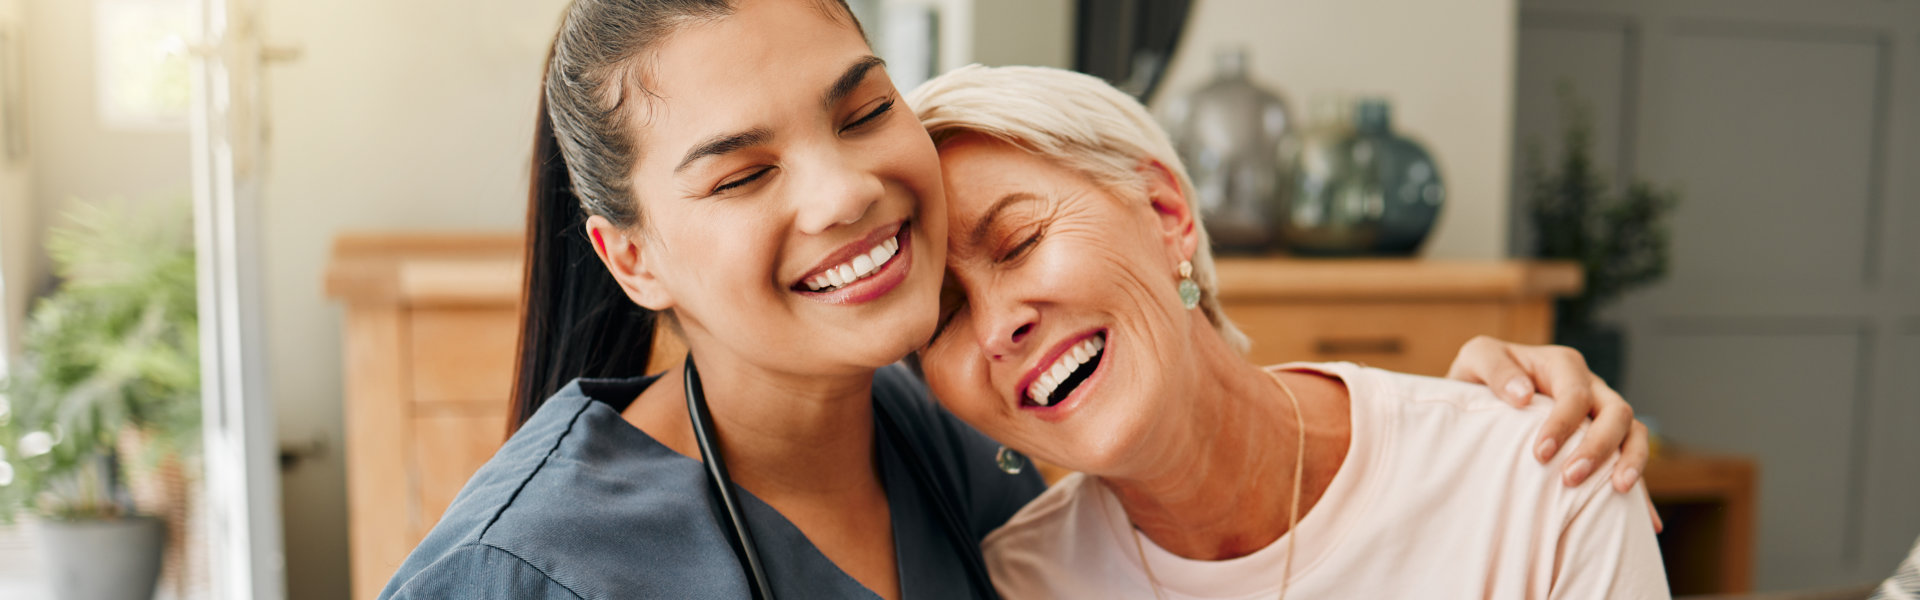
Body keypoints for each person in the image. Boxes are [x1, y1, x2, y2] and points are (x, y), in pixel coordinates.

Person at [379, 1, 1648, 598]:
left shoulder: (959, 440)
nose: (842, 196)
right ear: (632, 257)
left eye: (863, 110)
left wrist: (1478, 414)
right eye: (746, 172)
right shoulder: (523, 573)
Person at [911, 64, 1668, 599]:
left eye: (1017, 242)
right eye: (942, 315)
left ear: (1166, 214)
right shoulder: (1016, 584)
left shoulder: (1540, 481)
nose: (997, 327)